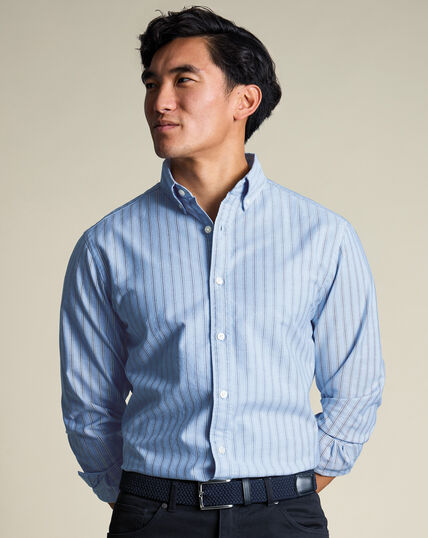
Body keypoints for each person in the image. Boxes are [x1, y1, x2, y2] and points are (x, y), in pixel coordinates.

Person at [59, 6, 385, 537]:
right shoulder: (107, 245)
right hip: (154, 516)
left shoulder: (323, 236)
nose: (159, 101)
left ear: (244, 101)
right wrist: (144, 504)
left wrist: (288, 492)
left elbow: (355, 386)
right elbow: (89, 404)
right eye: (151, 83)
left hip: (284, 516)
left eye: (183, 80)